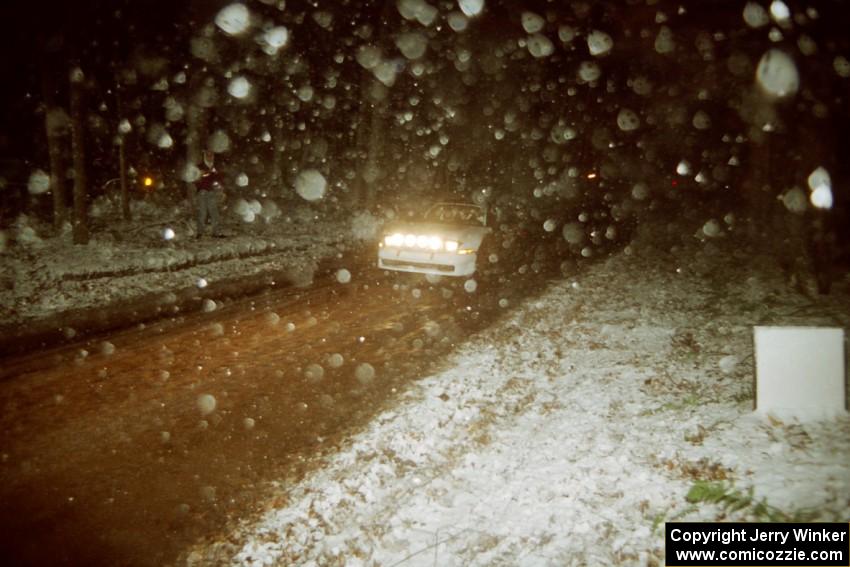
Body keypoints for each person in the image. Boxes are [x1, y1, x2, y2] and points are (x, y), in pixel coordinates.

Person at [196, 150, 224, 238]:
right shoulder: (200, 167)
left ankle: (216, 233)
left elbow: (219, 179)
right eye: (207, 155)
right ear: (204, 156)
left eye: (211, 155)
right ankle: (200, 233)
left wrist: (216, 175)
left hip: (212, 193)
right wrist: (202, 175)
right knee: (202, 212)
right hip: (202, 192)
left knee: (214, 213)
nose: (210, 157)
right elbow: (196, 180)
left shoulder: (215, 167)